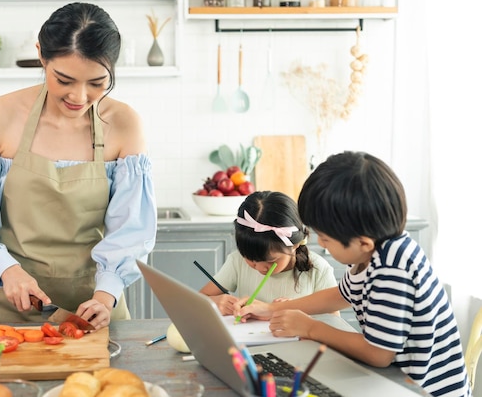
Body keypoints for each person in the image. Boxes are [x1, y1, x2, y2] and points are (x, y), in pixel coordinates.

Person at [0, 2, 157, 330]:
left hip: (93, 310)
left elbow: (132, 230)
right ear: (41, 55)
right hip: (6, 306)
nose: (79, 97)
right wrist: (5, 269)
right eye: (64, 79)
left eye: (97, 83)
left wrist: (106, 295)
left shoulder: (124, 124)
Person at [234, 151, 470, 397]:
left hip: (422, 391)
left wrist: (310, 328)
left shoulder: (393, 270)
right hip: (392, 380)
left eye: (325, 238)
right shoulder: (372, 254)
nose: (321, 245)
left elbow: (378, 354)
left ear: (363, 242)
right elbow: (341, 295)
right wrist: (272, 310)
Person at [199, 191, 337, 316]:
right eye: (251, 259)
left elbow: (334, 323)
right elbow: (201, 297)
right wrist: (215, 302)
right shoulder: (237, 261)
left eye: (271, 261)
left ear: (294, 245)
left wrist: (300, 312)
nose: (259, 268)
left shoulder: (319, 270)